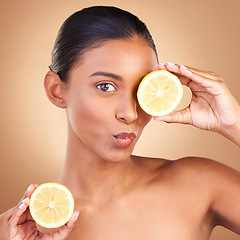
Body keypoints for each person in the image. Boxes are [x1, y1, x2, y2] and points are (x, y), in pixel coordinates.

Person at [0, 5, 240, 240]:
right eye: (106, 86)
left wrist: (234, 125)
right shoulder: (16, 231)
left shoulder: (198, 184)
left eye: (142, 89)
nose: (130, 113)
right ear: (56, 90)